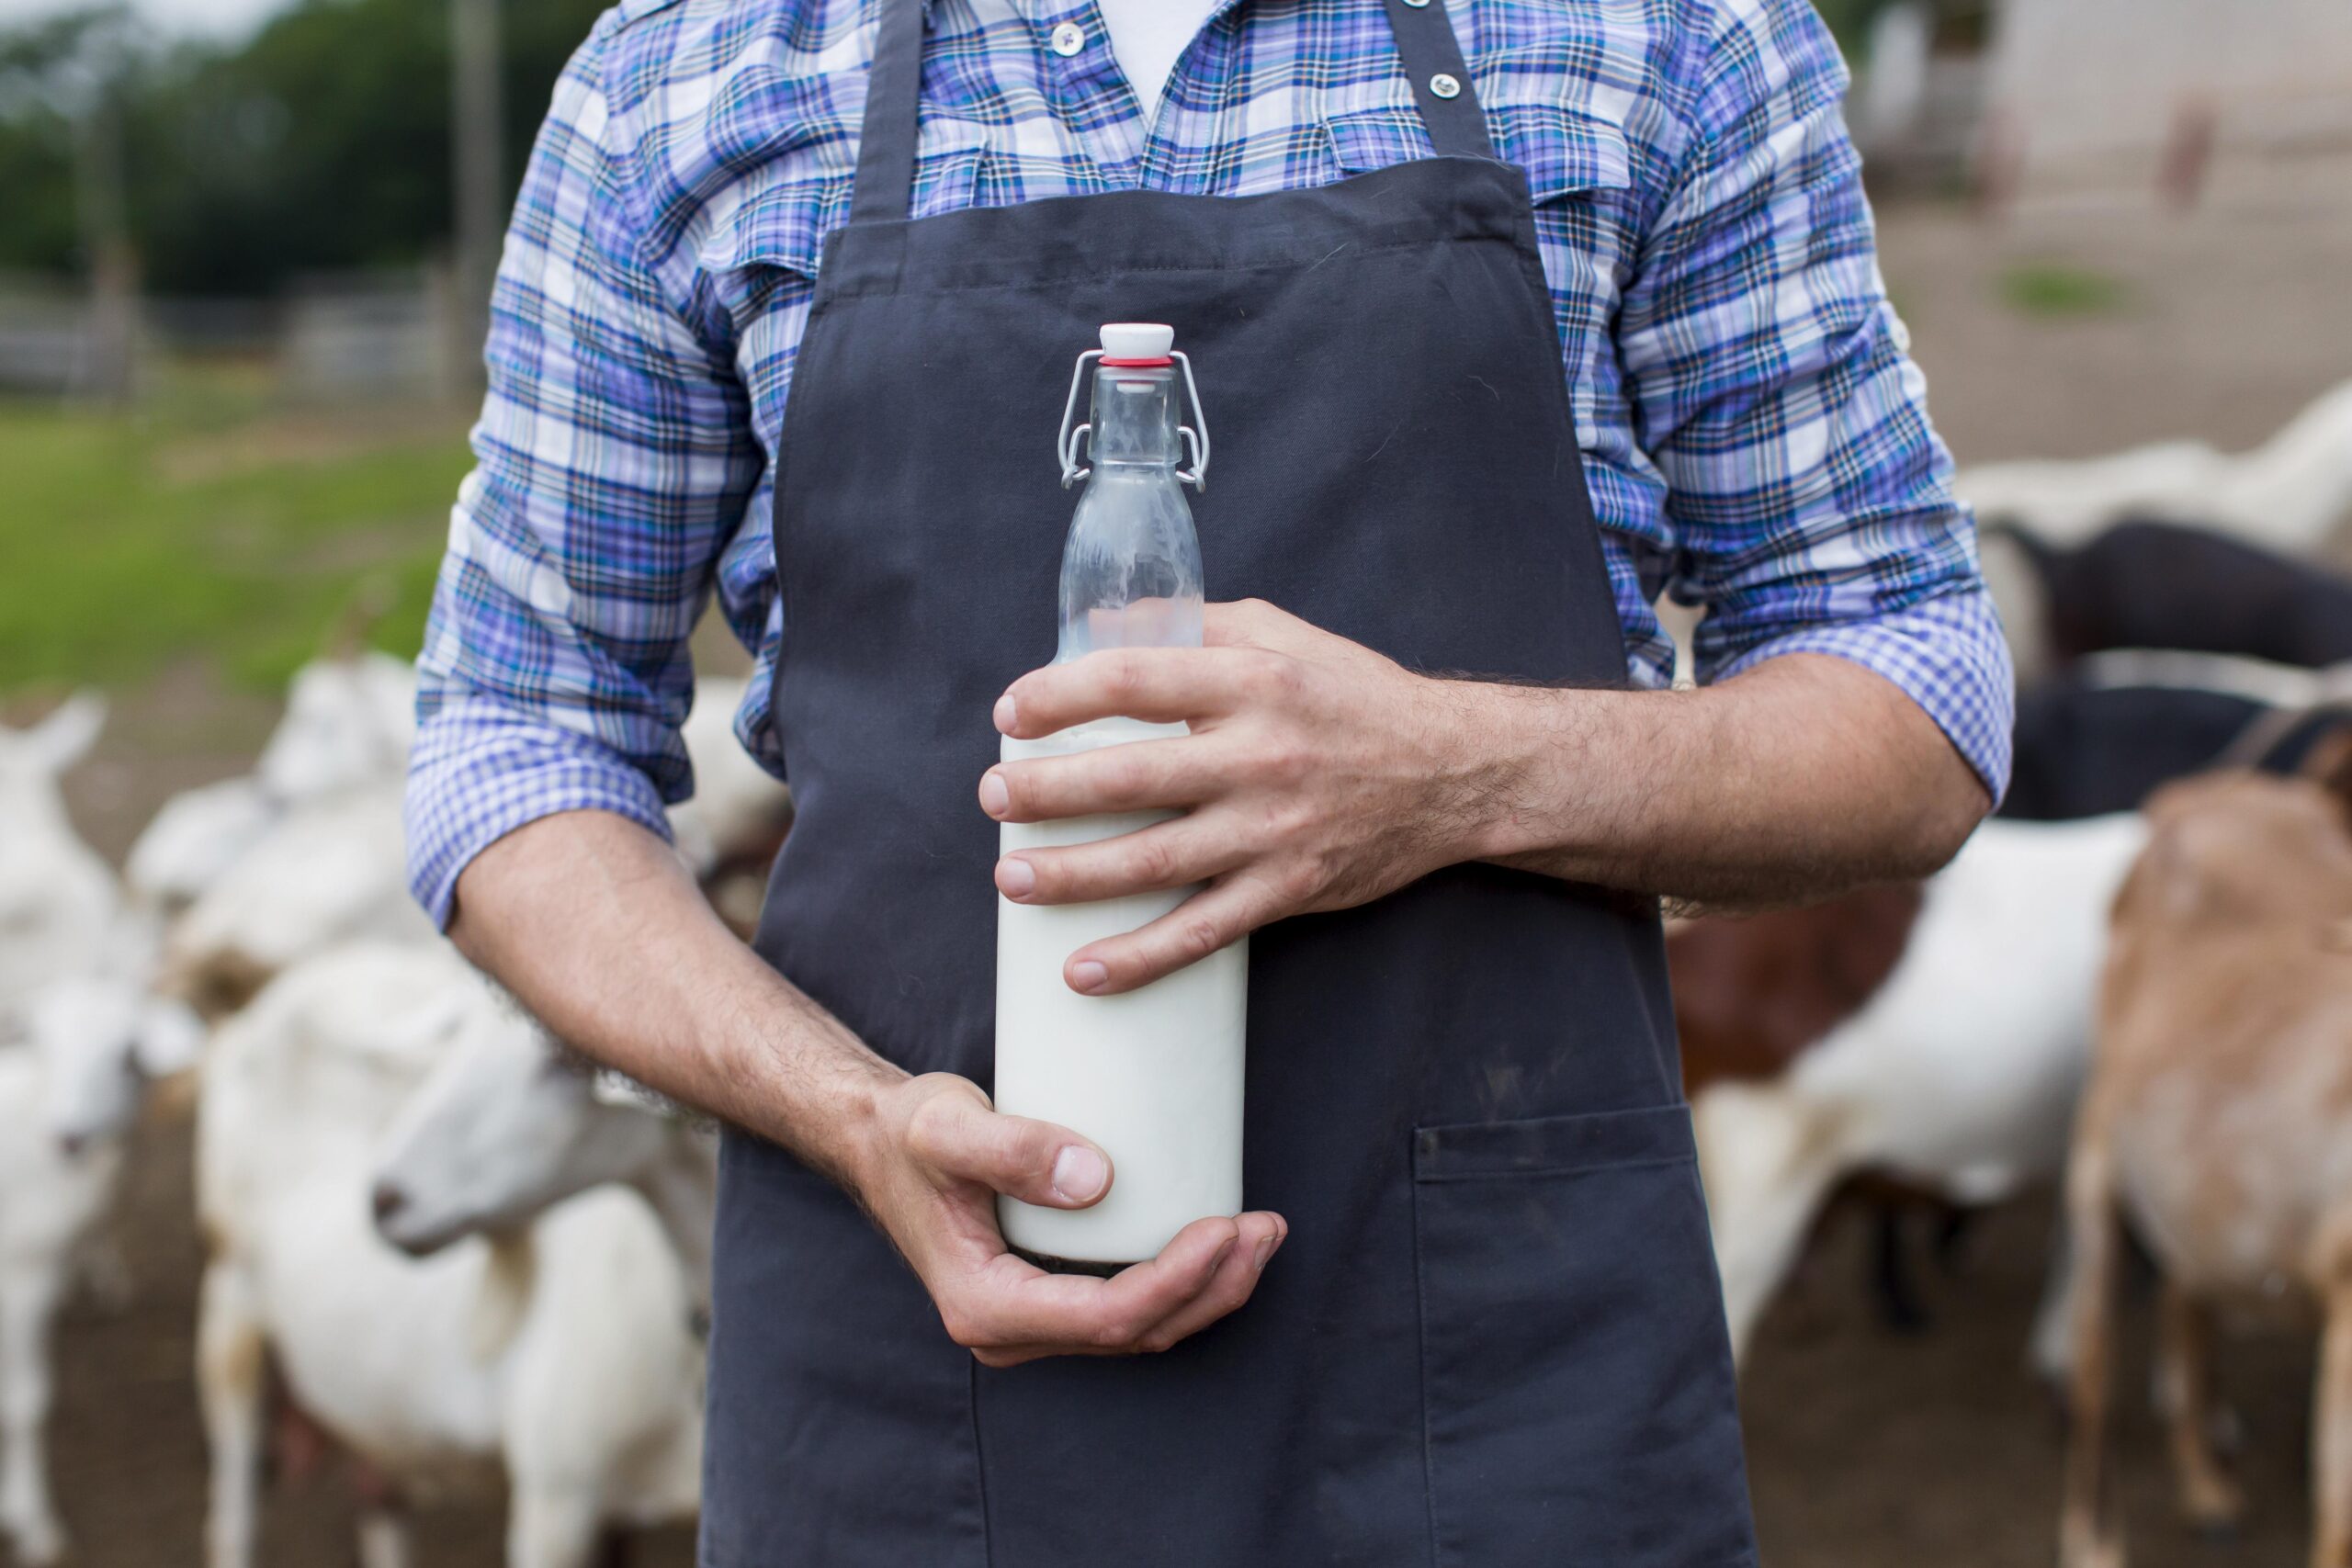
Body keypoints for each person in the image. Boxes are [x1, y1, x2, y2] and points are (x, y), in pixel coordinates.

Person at [405, 0, 2013, 1561]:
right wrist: (850, 1117)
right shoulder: (682, 74)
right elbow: (511, 737)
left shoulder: (1665, 32)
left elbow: (1913, 693)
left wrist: (1460, 774)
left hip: (1503, 1382)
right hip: (903, 1409)